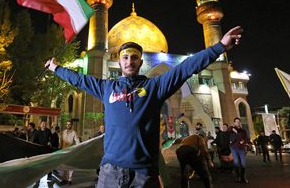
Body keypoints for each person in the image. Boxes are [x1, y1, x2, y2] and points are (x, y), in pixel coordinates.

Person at [45, 26, 243, 187]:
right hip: (110, 173)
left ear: (141, 61)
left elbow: (186, 68)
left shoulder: (154, 87)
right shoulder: (108, 88)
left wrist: (220, 47)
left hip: (143, 175)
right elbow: (79, 80)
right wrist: (56, 68)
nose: (129, 61)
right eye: (125, 57)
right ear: (119, 60)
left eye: (134, 57)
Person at [228, 117, 249, 183]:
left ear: (240, 123)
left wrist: (244, 141)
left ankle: (243, 177)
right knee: (236, 162)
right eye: (236, 122)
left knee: (243, 163)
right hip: (233, 148)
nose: (238, 123)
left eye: (239, 122)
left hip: (241, 148)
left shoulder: (243, 131)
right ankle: (238, 177)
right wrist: (233, 129)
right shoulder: (232, 129)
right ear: (234, 123)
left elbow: (246, 139)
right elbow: (228, 129)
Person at [61, 120, 80, 185]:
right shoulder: (63, 132)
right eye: (67, 124)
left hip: (71, 151)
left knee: (70, 166)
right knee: (64, 165)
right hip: (63, 151)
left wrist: (77, 148)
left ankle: (70, 179)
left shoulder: (74, 132)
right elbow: (61, 141)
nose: (68, 125)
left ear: (71, 125)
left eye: (69, 124)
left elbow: (77, 141)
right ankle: (64, 179)